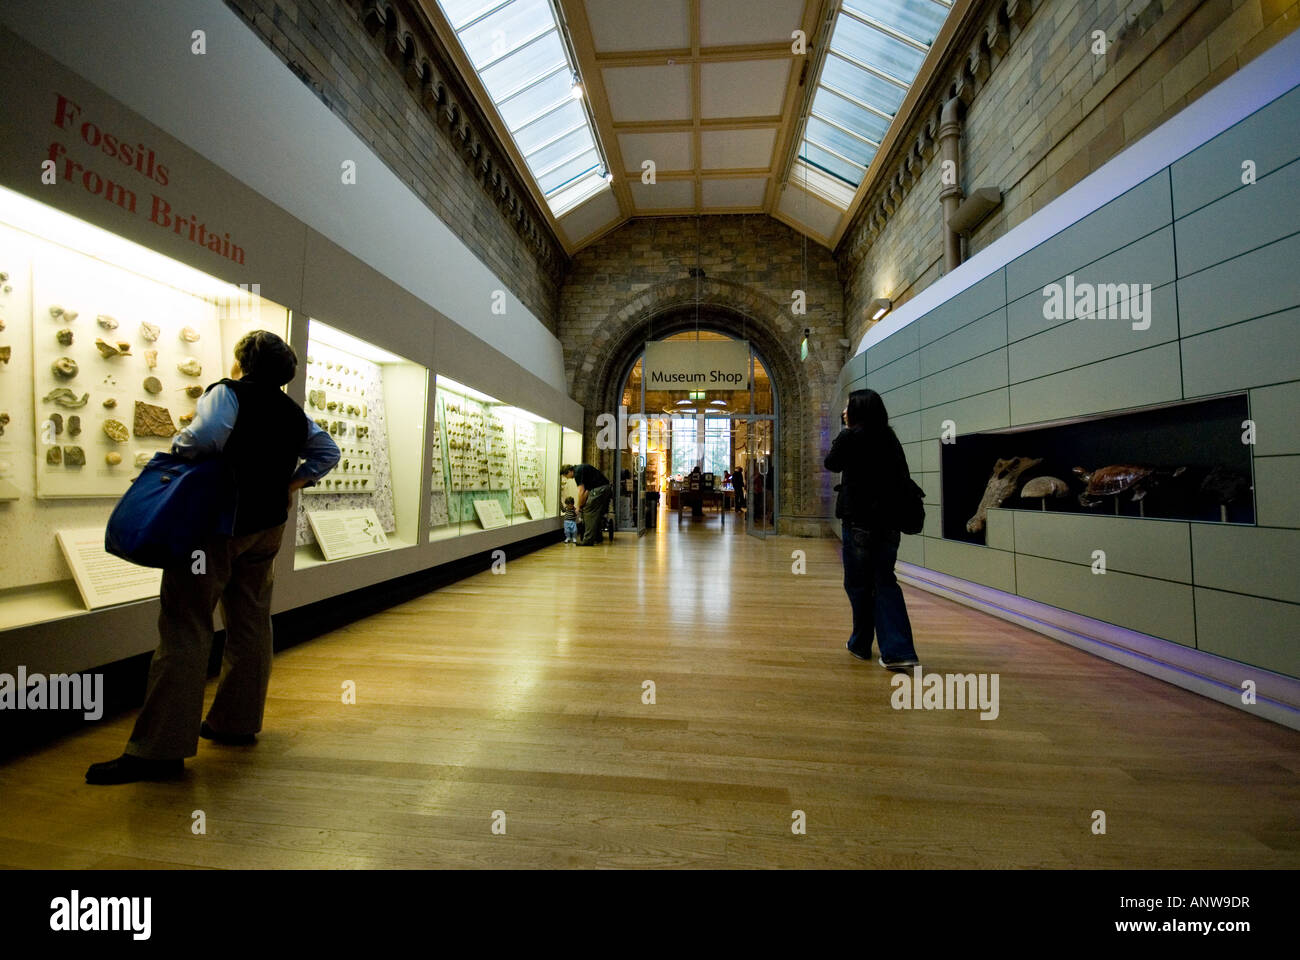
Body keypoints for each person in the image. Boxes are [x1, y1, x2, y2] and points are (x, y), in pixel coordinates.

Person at [86, 330, 340, 784]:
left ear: (242, 362)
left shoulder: (228, 392)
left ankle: (160, 750)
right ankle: (236, 722)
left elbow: (202, 438)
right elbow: (327, 452)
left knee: (186, 623)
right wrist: (291, 484)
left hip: (218, 525)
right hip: (267, 530)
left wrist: (180, 447)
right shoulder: (292, 412)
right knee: (251, 620)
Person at [824, 388, 921, 672]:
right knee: (884, 581)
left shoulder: (851, 436)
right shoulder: (889, 437)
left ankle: (861, 642)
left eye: (847, 407)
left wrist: (845, 430)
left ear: (857, 411)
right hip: (889, 522)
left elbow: (832, 463)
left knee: (858, 583)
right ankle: (898, 650)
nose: (844, 410)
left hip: (860, 522)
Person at [561, 463, 612, 546]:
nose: (568, 478)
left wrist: (578, 507)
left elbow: (581, 492)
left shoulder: (577, 473)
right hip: (605, 488)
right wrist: (581, 505)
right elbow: (587, 491)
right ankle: (597, 537)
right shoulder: (581, 469)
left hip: (600, 489)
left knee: (589, 511)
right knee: (596, 513)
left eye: (566, 476)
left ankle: (588, 540)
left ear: (569, 471)